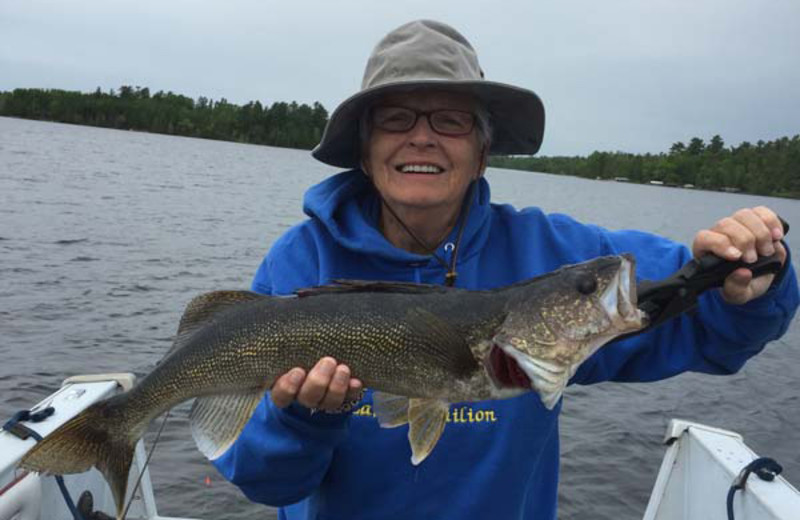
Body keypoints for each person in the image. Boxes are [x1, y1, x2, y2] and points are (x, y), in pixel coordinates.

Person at [212, 19, 799, 520]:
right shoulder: (299, 263)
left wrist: (752, 277)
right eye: (395, 119)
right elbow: (267, 482)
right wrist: (307, 421)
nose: (421, 136)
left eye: (450, 120)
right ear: (364, 150)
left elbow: (709, 328)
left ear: (482, 151)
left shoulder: (558, 255)